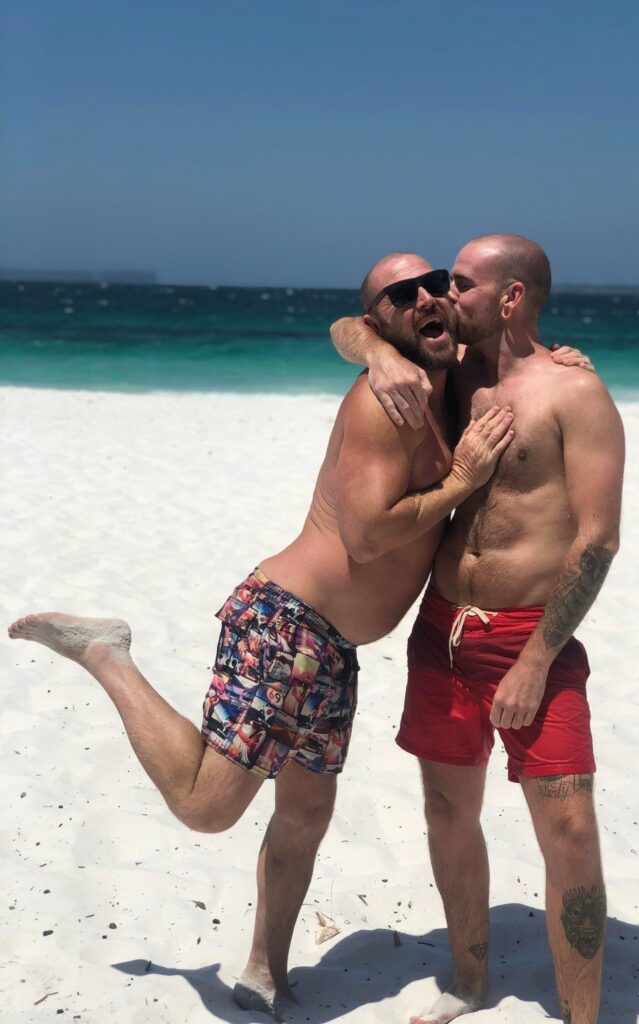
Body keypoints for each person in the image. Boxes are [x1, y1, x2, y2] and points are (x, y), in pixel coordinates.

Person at [8, 251, 518, 1019]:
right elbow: (371, 534)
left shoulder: (443, 384)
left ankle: (263, 969)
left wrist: (551, 354)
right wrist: (461, 480)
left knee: (306, 815)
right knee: (207, 808)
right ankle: (107, 654)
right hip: (285, 621)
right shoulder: (385, 404)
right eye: (399, 296)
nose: (423, 299)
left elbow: (348, 327)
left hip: (334, 650)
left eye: (434, 283)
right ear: (384, 317)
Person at [330, 234, 625, 1024]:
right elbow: (349, 327)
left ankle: (584, 1016)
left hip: (534, 641)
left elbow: (596, 541)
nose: (439, 297)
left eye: (456, 283)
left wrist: (536, 661)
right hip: (442, 632)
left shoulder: (575, 394)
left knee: (567, 828)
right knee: (446, 812)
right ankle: (469, 981)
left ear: (510, 298)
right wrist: (381, 356)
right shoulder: (450, 371)